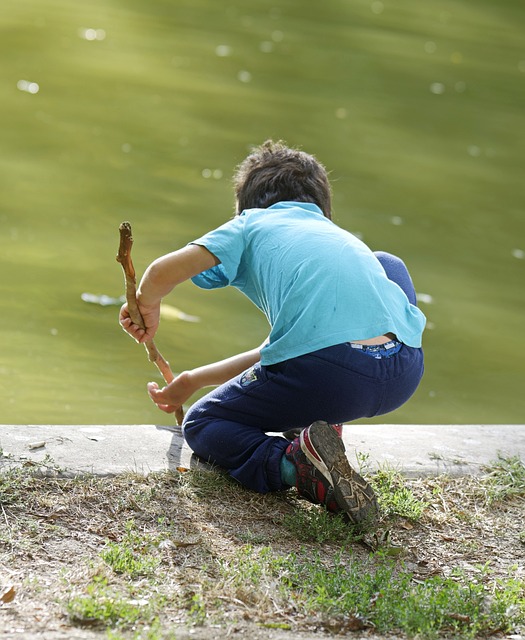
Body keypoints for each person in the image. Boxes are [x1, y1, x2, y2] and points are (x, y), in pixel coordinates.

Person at [119, 140, 426, 530]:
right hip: (403, 372)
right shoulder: (340, 241)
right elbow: (277, 354)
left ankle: (296, 465)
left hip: (327, 375)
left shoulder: (251, 224)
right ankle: (323, 427)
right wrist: (192, 380)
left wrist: (144, 304)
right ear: (322, 208)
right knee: (387, 263)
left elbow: (162, 271)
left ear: (245, 207)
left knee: (203, 423)